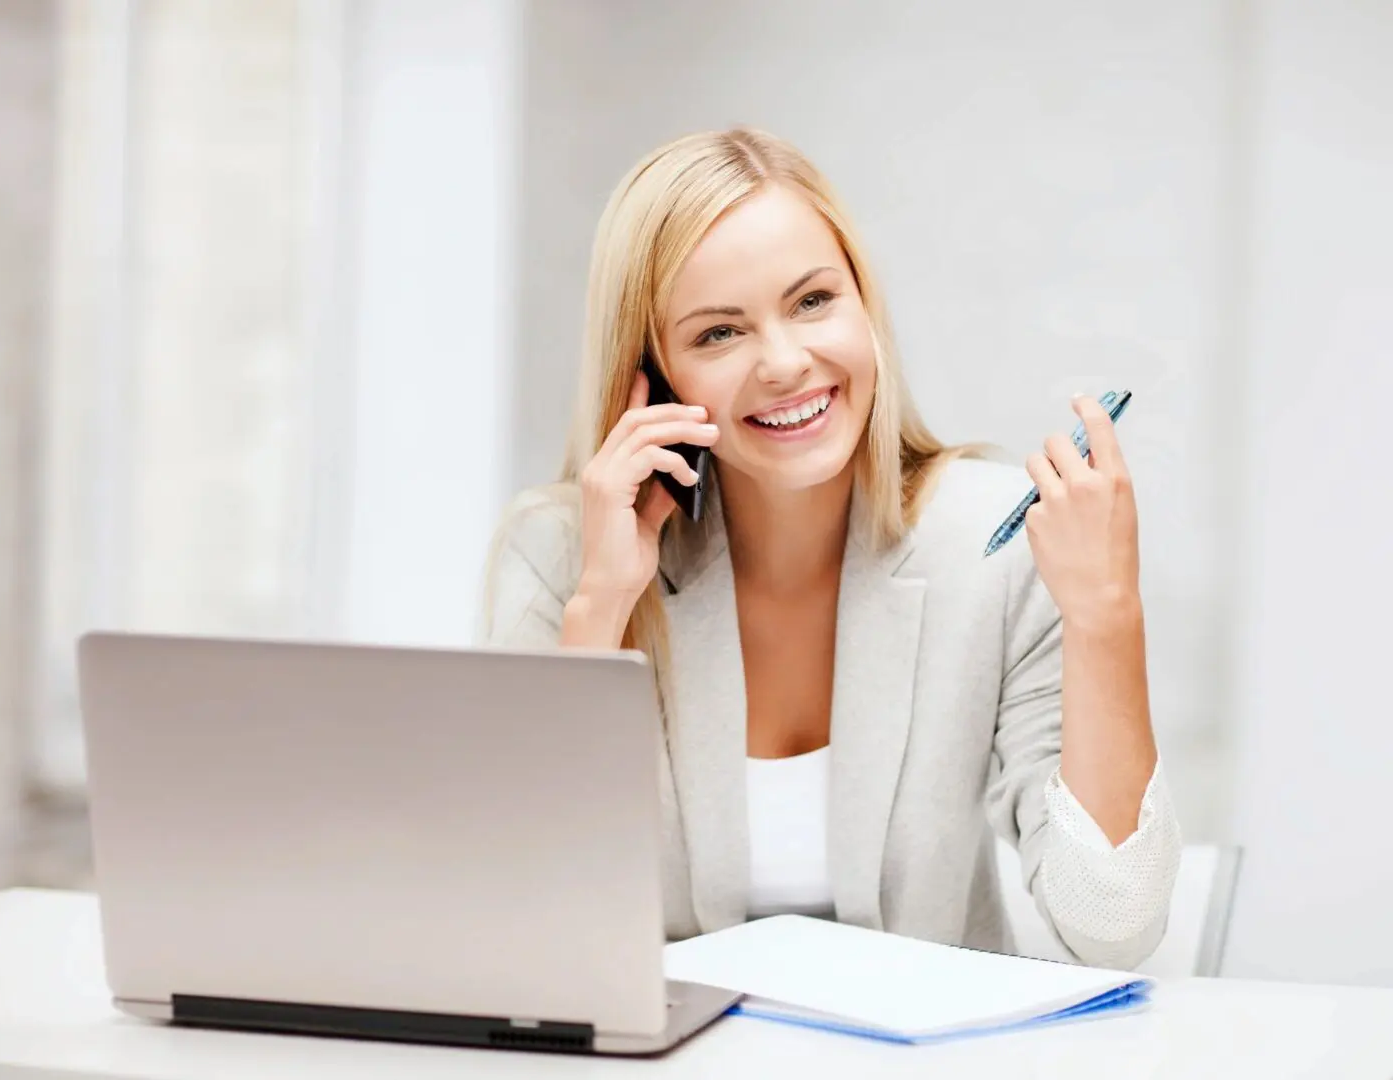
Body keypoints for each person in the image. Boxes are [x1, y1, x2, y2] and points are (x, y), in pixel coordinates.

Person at [479, 127, 1180, 968]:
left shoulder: (997, 546)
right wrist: (600, 610)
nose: (784, 363)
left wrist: (1107, 615)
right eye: (717, 334)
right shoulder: (561, 555)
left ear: (863, 306)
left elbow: (1114, 927)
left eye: (813, 301)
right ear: (653, 374)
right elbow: (519, 920)